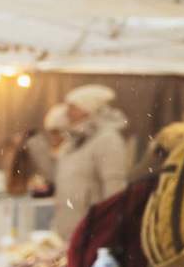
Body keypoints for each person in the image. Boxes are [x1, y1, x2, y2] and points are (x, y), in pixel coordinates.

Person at [52, 85, 130, 241]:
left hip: (91, 236)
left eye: (72, 107)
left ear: (88, 109)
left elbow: (115, 191)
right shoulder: (72, 142)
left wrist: (108, 233)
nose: (67, 113)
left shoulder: (108, 140)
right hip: (69, 234)